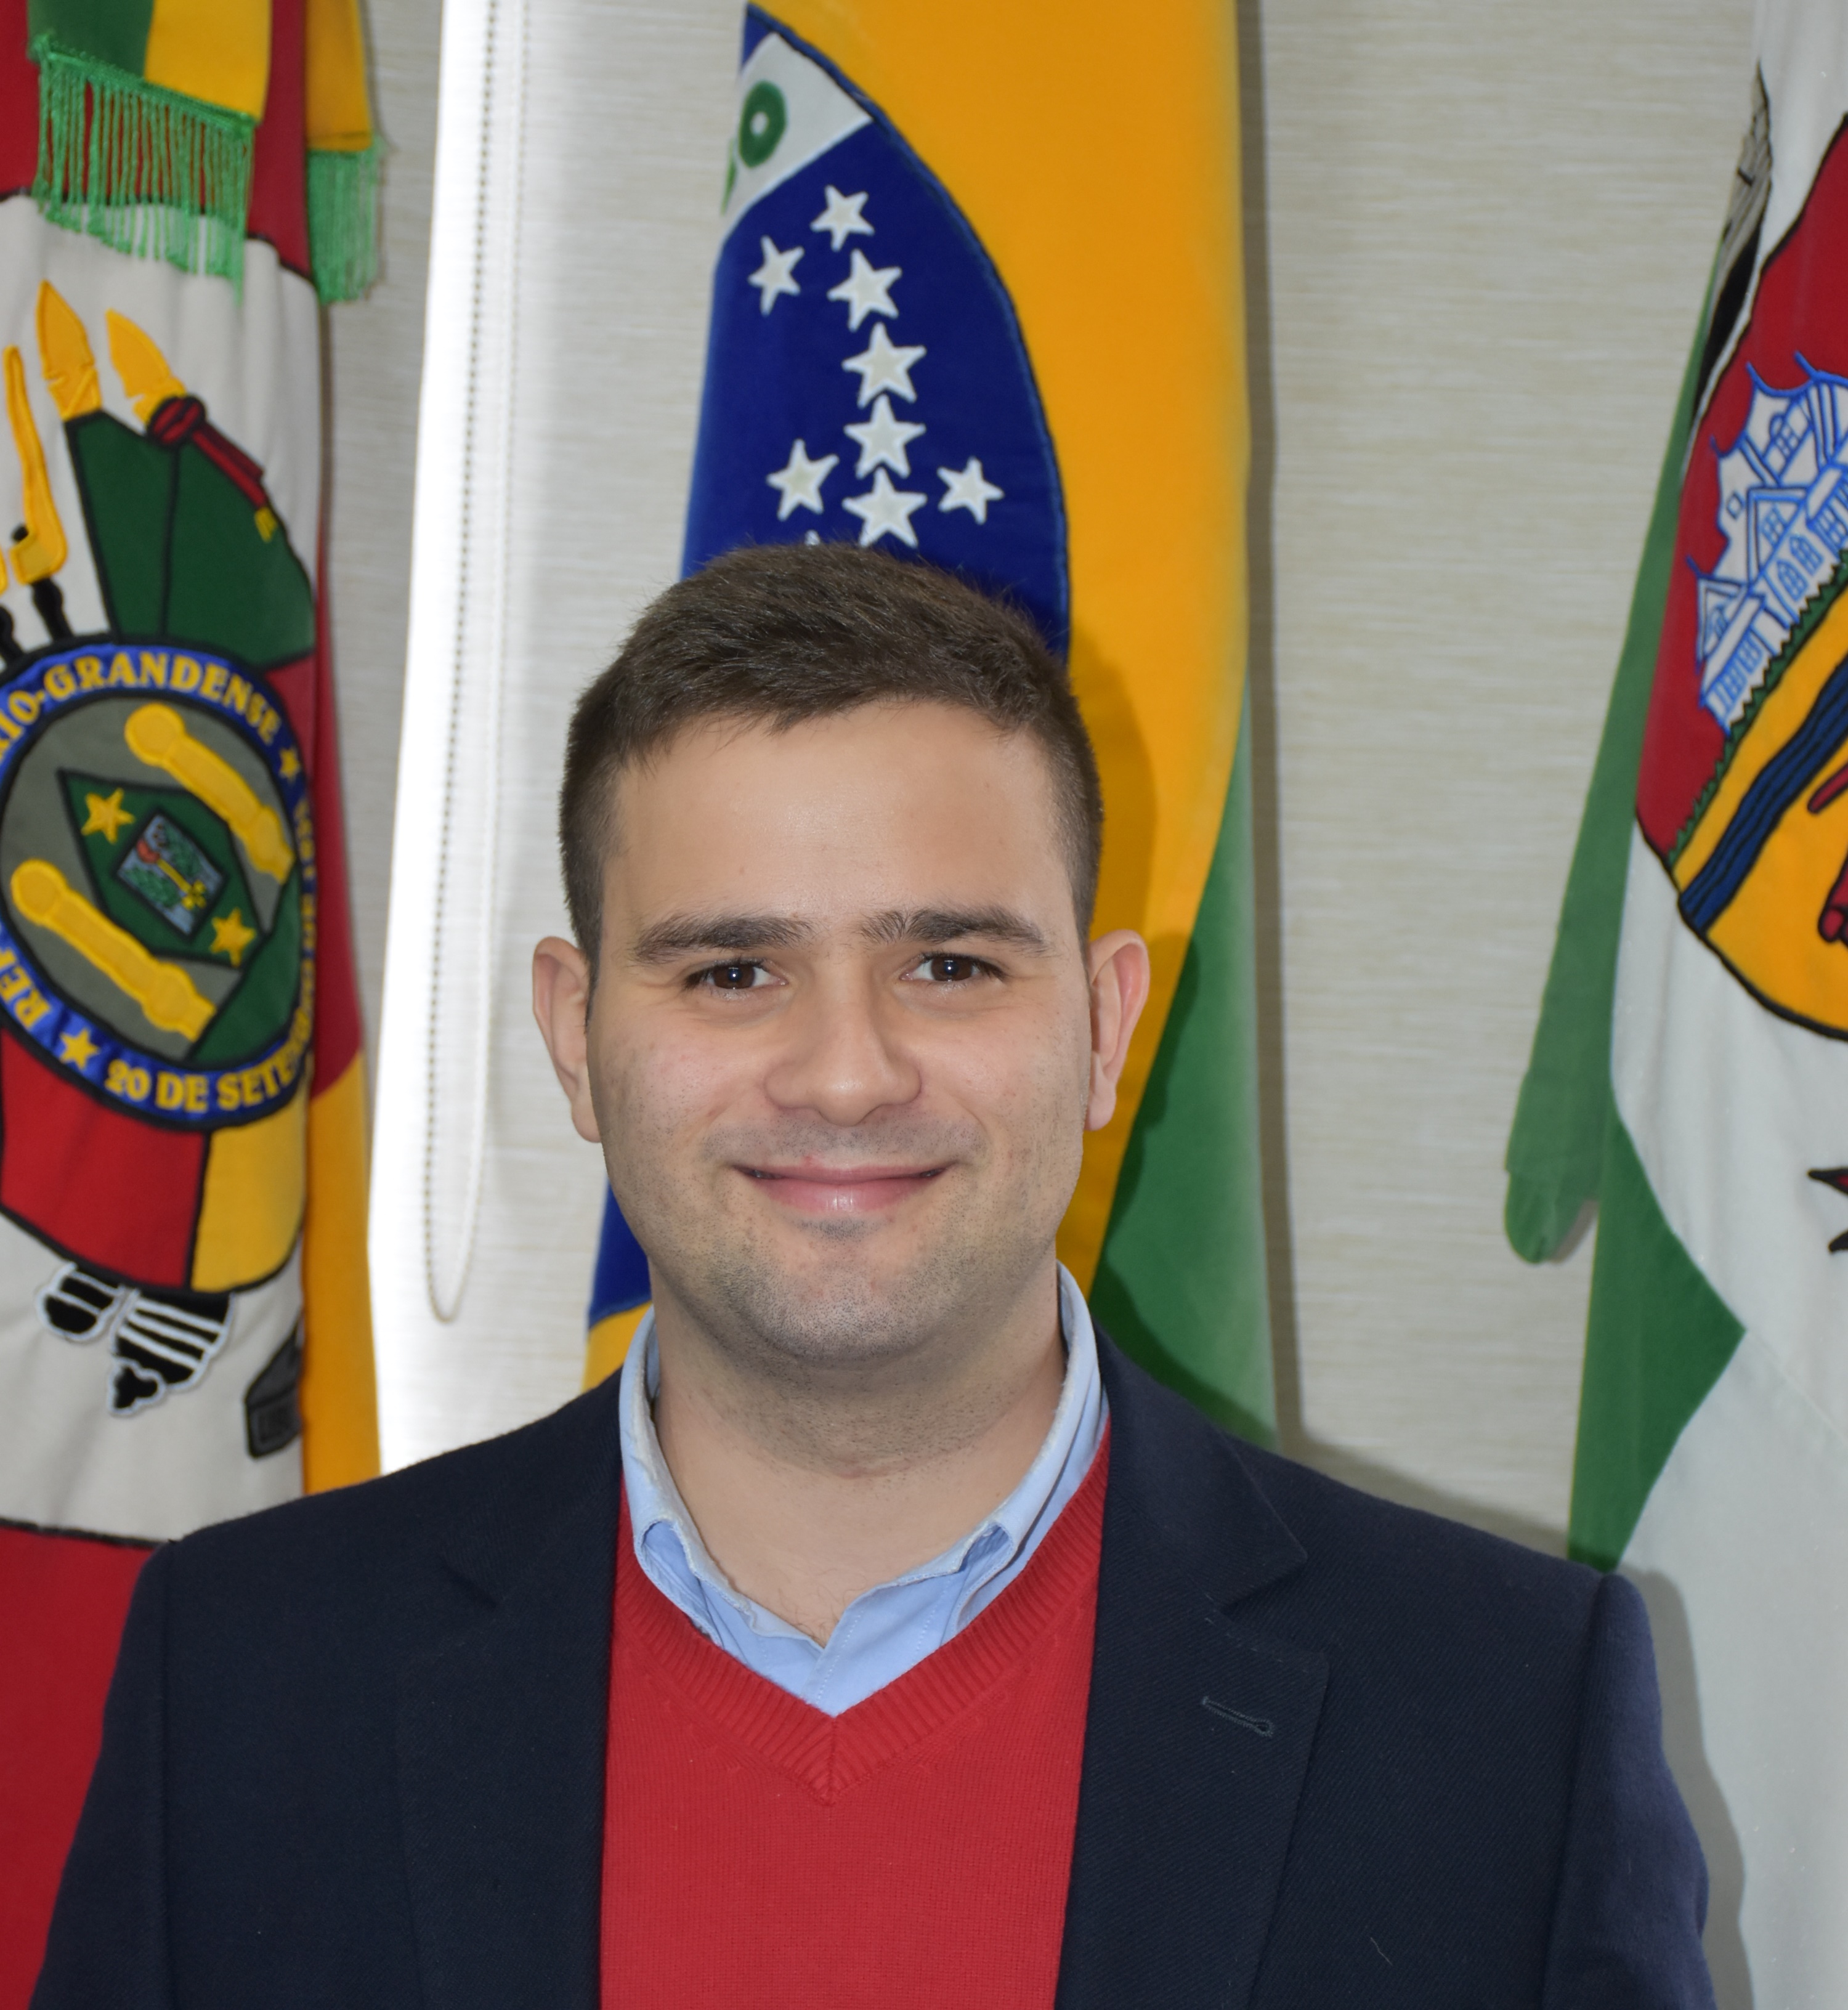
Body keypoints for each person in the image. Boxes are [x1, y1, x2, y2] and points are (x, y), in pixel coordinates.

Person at [34, 544, 1714, 2008]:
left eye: (951, 964)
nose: (846, 1075)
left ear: (1105, 1027)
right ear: (574, 1032)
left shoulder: (1507, 1712)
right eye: (734, 970)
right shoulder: (244, 1682)